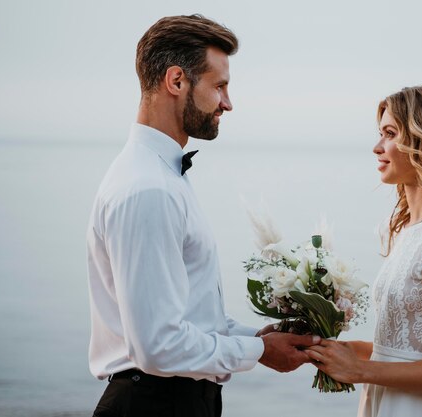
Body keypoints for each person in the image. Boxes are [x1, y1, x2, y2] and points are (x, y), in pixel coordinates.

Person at [86, 14, 318, 417]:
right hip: (153, 405)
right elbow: (158, 346)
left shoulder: (163, 175)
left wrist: (258, 338)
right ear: (177, 81)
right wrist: (259, 350)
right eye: (220, 86)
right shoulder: (148, 188)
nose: (228, 103)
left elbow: (187, 314)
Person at [306, 81, 422, 417]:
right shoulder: (410, 231)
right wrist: (350, 352)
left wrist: (360, 371)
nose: (378, 147)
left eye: (391, 134)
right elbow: (407, 349)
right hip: (388, 400)